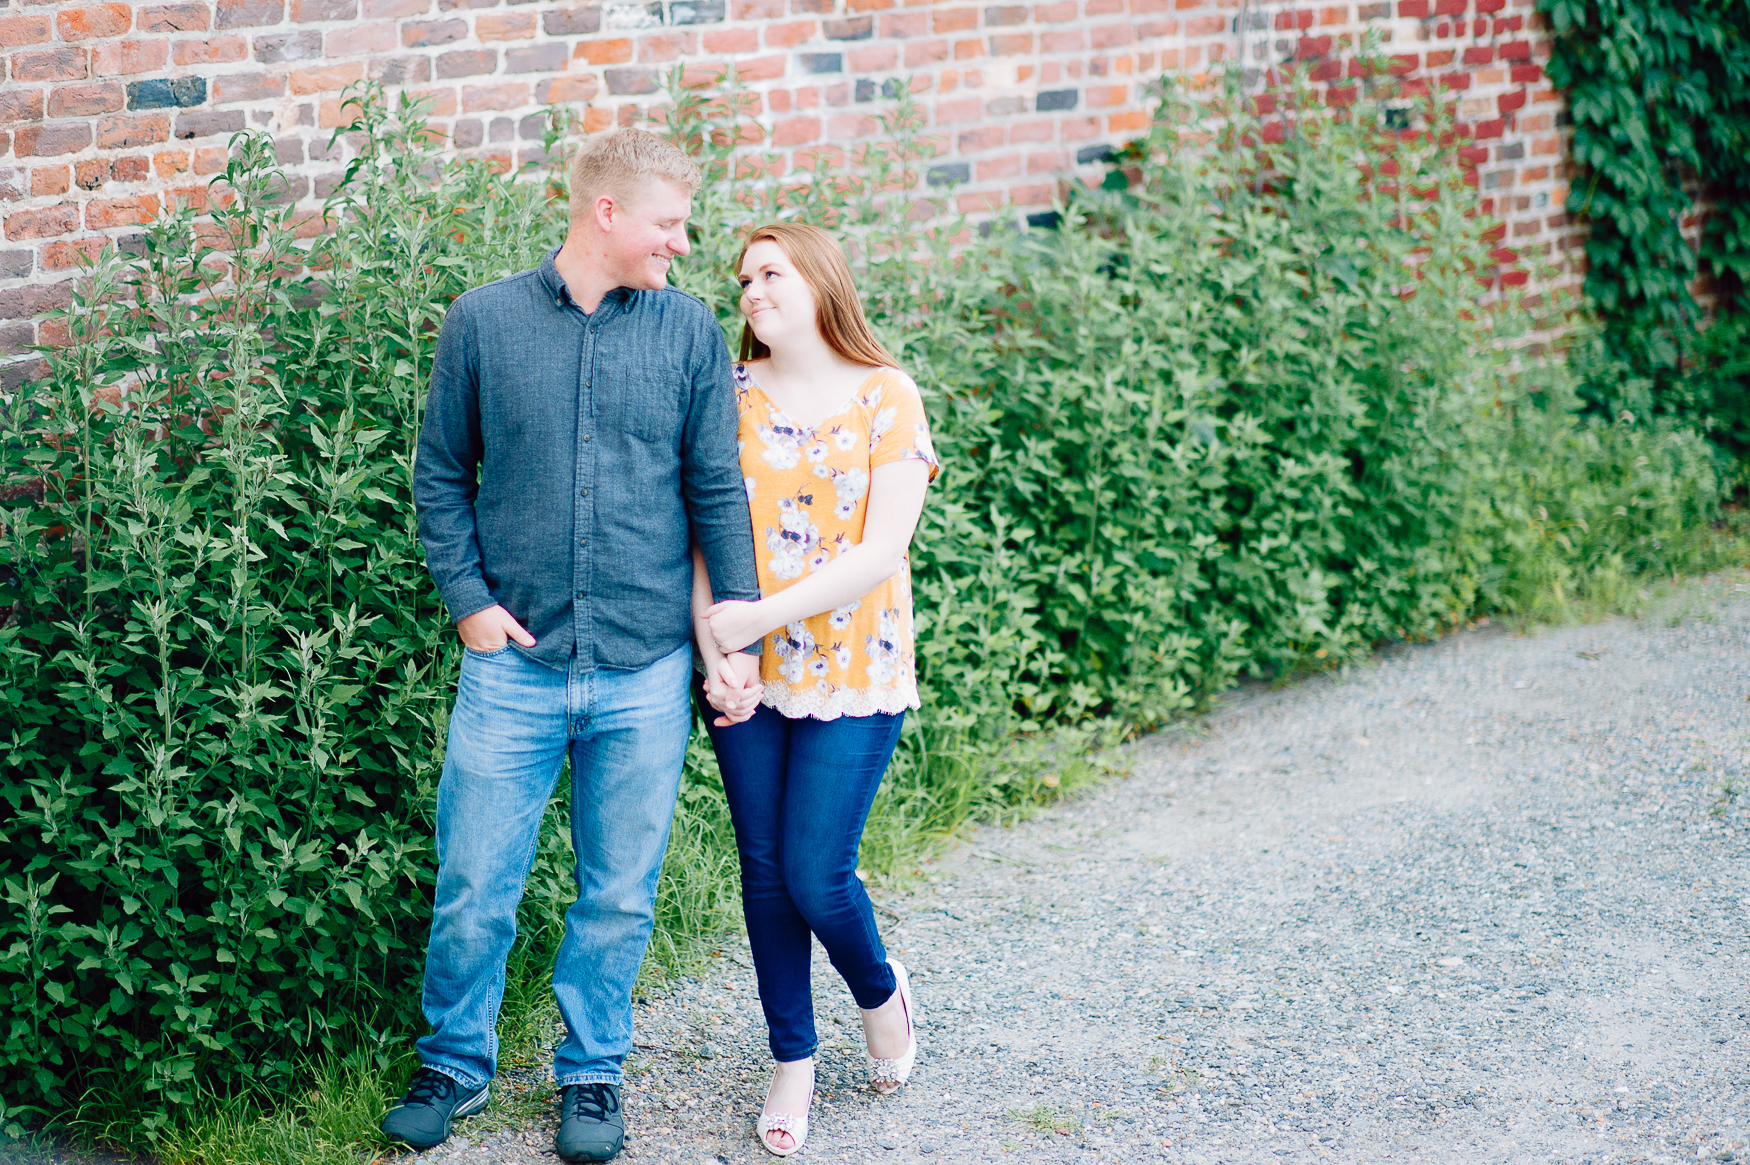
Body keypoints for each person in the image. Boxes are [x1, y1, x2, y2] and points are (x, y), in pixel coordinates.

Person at [388, 129, 763, 1163]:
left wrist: (733, 632)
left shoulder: (689, 333)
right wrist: (467, 601)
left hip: (647, 665)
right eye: (669, 223)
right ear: (607, 214)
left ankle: (591, 1075)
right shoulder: (484, 322)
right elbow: (438, 474)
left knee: (618, 891)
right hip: (512, 665)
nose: (683, 244)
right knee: (473, 879)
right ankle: (453, 1065)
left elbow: (715, 490)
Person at [692, 222, 940, 1157]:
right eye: (744, 277)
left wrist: (753, 620)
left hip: (855, 668)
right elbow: (702, 529)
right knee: (762, 872)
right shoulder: (730, 393)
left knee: (816, 872)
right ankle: (791, 1056)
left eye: (770, 271)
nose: (751, 289)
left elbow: (882, 551)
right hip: (745, 671)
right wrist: (717, 647)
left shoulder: (889, 396)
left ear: (820, 279)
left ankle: (881, 991)